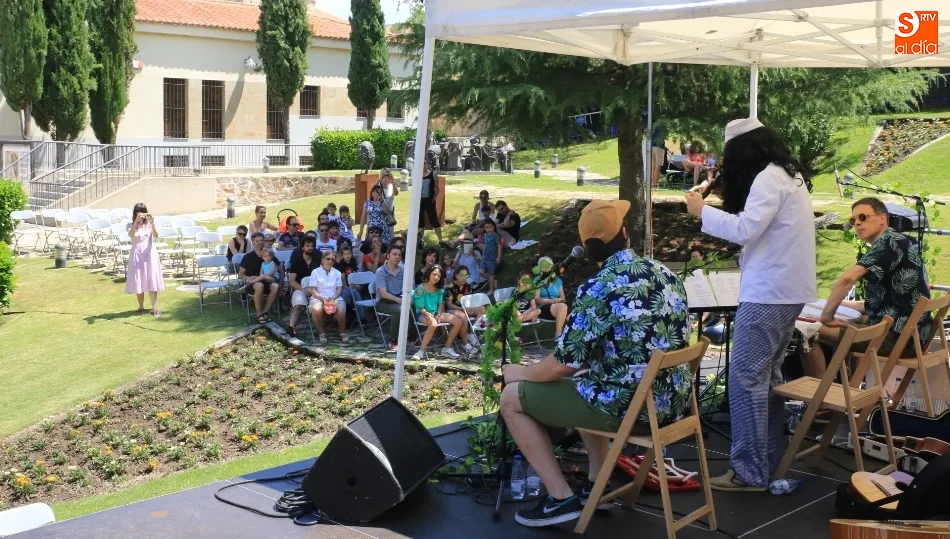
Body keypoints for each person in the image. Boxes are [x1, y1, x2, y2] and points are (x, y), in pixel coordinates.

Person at [499, 199, 691, 527]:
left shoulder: (598, 288)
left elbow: (563, 363)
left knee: (511, 398)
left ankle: (560, 498)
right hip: (673, 402)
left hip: (636, 410)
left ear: (587, 250)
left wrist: (520, 373)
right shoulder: (665, 273)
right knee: (589, 381)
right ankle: (595, 486)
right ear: (626, 235)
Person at [684, 118, 816, 492]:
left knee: (744, 382)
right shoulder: (788, 175)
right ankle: (768, 460)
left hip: (768, 292)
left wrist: (701, 212)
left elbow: (745, 229)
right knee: (766, 378)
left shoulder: (768, 178)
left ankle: (749, 472)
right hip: (786, 289)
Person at [805, 197, 932, 378]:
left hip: (897, 340)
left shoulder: (887, 244)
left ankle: (819, 398)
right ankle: (852, 392)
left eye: (863, 217)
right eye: (853, 220)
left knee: (806, 331)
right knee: (854, 319)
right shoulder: (902, 241)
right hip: (915, 337)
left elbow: (847, 279)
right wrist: (840, 305)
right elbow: (888, 299)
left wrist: (826, 315)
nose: (856, 223)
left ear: (882, 218)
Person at [412, 265, 469, 360]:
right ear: (429, 274)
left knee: (458, 321)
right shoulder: (420, 288)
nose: (436, 277)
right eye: (434, 274)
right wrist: (428, 315)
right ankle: (421, 351)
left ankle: (446, 348)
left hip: (435, 313)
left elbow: (440, 304)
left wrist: (439, 313)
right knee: (433, 324)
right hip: (422, 313)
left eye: (438, 276)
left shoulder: (439, 289)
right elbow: (420, 308)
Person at [126, 203, 165, 317]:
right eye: (140, 213)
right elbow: (131, 234)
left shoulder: (149, 224)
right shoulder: (130, 225)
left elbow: (156, 235)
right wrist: (136, 222)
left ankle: (155, 308)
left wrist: (152, 222)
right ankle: (141, 306)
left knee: (151, 279)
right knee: (139, 280)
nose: (142, 215)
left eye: (144, 212)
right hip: (137, 254)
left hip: (150, 254)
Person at [239, 232, 281, 324]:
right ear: (253, 242)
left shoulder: (269, 254)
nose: (259, 242)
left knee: (275, 287)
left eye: (261, 240)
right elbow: (241, 274)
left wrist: (280, 282)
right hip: (253, 283)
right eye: (257, 241)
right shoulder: (248, 257)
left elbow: (281, 268)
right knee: (259, 286)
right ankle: (259, 314)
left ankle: (265, 311)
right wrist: (248, 278)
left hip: (268, 281)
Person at [308, 251, 349, 344]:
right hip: (318, 298)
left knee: (341, 309)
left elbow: (339, 289)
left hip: (334, 297)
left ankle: (343, 333)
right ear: (322, 260)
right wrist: (322, 299)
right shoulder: (315, 272)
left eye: (332, 259)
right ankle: (321, 333)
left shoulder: (337, 273)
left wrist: (333, 298)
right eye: (328, 259)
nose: (330, 261)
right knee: (316, 309)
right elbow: (313, 290)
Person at [287, 236, 320, 337]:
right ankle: (291, 327)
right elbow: (292, 281)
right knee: (299, 305)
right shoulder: (296, 261)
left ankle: (321, 328)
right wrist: (304, 290)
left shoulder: (318, 260)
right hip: (300, 288)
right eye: (307, 246)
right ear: (302, 247)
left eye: (312, 246)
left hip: (317, 289)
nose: (310, 248)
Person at [375, 246, 406, 350]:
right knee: (399, 310)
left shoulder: (403, 270)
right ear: (388, 256)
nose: (397, 257)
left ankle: (411, 337)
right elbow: (383, 294)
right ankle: (393, 339)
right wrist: (399, 301)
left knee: (414, 305)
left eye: (399, 255)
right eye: (394, 254)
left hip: (400, 299)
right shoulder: (380, 271)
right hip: (384, 302)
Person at [534, 256, 569, 338]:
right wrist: (552, 301)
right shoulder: (537, 281)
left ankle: (572, 338)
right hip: (542, 307)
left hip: (557, 306)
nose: (546, 268)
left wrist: (558, 300)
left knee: (573, 315)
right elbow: (537, 299)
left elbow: (563, 298)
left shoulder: (557, 280)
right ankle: (558, 335)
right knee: (562, 307)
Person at [418, 162, 444, 243]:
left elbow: (437, 188)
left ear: (426, 164)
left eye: (424, 163)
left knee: (434, 221)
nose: (423, 165)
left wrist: (434, 198)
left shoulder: (433, 174)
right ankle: (421, 241)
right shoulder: (417, 175)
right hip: (420, 203)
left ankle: (441, 241)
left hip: (430, 202)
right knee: (421, 223)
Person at [479, 219, 502, 295]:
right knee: (481, 272)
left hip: (492, 258)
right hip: (485, 257)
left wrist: (498, 257)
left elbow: (499, 247)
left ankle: (491, 289)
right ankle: (493, 280)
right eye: (486, 227)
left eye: (490, 227)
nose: (488, 229)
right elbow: (484, 246)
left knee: (491, 274)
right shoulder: (484, 235)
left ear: (494, 227)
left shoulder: (496, 236)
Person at [377, 168, 400, 240]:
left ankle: (390, 247)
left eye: (387, 174)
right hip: (380, 213)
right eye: (384, 174)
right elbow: (371, 191)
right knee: (380, 232)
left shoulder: (391, 185)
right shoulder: (378, 186)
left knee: (390, 232)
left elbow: (396, 193)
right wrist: (379, 179)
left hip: (390, 213)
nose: (386, 177)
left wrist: (393, 182)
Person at [651, 119, 668, 188]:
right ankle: (655, 183)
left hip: (652, 146)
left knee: (652, 166)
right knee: (658, 165)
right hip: (659, 146)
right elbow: (666, 137)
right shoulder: (664, 126)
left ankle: (652, 182)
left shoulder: (653, 124)